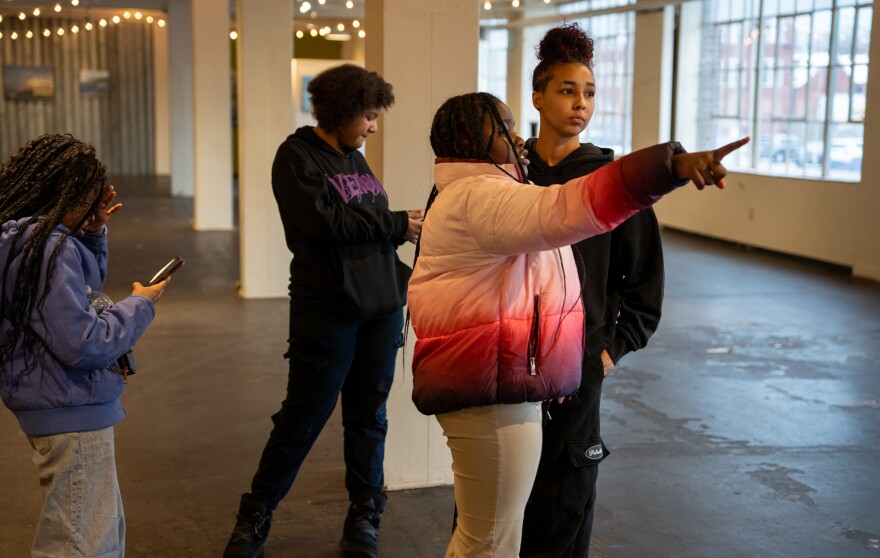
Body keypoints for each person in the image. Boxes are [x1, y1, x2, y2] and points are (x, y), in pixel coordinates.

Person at [407, 92, 748, 557]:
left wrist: (577, 360)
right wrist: (668, 167)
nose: (517, 136)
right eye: (504, 126)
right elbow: (570, 208)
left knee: (485, 537)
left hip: (496, 388)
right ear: (475, 138)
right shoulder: (480, 199)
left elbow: (526, 298)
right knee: (489, 543)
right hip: (493, 400)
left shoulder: (477, 193)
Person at [223, 64, 423, 558]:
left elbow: (361, 220)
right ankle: (255, 514)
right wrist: (396, 223)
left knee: (368, 415)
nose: (373, 128)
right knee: (304, 416)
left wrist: (391, 226)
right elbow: (324, 220)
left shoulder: (355, 161)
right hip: (327, 308)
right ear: (343, 110)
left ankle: (364, 517)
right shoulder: (296, 156)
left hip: (380, 306)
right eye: (370, 117)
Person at [519, 23, 665, 557]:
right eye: (566, 90)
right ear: (537, 96)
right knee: (504, 496)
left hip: (578, 367)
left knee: (565, 499)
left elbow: (644, 284)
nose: (581, 103)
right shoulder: (509, 175)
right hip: (507, 361)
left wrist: (609, 351)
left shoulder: (611, 180)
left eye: (590, 93)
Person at [0, 133, 169, 556]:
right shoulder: (47, 249)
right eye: (87, 202)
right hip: (70, 407)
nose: (93, 209)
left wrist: (91, 234)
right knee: (80, 544)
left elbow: (83, 291)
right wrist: (140, 305)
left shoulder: (31, 243)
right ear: (61, 197)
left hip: (60, 403)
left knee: (94, 535)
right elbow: (86, 342)